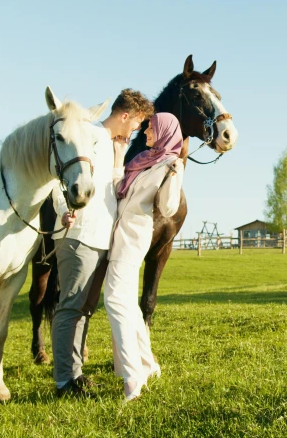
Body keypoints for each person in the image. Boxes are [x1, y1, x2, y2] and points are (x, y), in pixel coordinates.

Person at [51, 89, 154, 397]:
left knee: (85, 308)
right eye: (137, 122)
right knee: (70, 307)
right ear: (125, 116)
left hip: (100, 236)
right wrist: (61, 210)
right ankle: (62, 381)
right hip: (79, 234)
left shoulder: (110, 145)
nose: (137, 129)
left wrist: (121, 158)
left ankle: (75, 373)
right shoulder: (88, 135)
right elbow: (58, 179)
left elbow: (112, 189)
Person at [104, 112, 184, 402]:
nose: (147, 131)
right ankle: (149, 366)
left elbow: (168, 207)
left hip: (134, 239)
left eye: (151, 128)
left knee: (113, 299)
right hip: (118, 238)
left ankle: (132, 377)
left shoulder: (168, 164)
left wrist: (175, 175)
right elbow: (118, 191)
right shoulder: (144, 161)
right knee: (126, 303)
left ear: (163, 131)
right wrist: (118, 157)